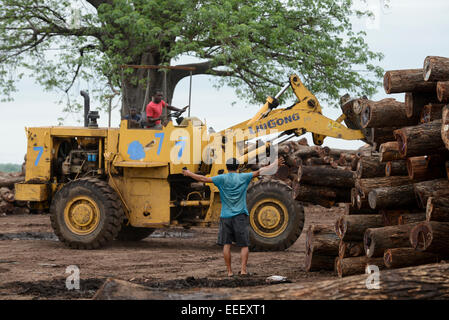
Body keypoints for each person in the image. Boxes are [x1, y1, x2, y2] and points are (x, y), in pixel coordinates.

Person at [182, 157, 283, 277]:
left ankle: (229, 272)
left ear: (226, 167)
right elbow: (261, 171)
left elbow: (202, 178)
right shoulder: (243, 177)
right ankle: (243, 270)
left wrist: (188, 173)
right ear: (238, 167)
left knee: (226, 244)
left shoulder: (221, 178)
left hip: (225, 216)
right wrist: (275, 164)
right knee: (244, 245)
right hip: (240, 215)